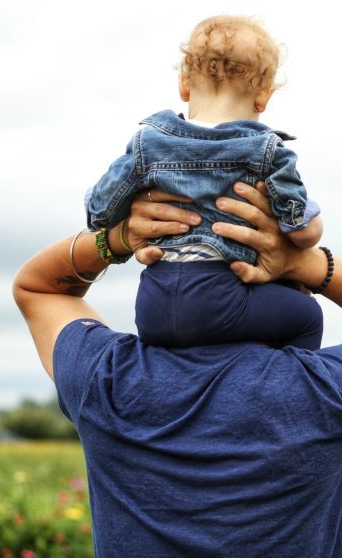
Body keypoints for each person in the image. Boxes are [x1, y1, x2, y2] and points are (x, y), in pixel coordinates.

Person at [13, 183, 342, 556]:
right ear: (286, 296)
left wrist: (118, 238)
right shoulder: (328, 392)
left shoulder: (108, 380)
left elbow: (39, 288)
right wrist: (304, 263)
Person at [85, 15, 324, 350]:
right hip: (223, 298)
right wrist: (311, 222)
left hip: (153, 304)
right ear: (263, 97)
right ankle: (291, 391)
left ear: (184, 85)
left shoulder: (147, 143)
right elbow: (301, 231)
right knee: (307, 315)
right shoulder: (267, 150)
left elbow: (100, 212)